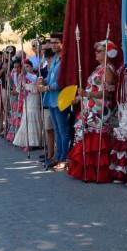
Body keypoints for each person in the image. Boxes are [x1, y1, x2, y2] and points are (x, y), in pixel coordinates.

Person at [67, 41, 117, 183]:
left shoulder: (107, 70)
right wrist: (78, 98)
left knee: (96, 139)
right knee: (87, 137)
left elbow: (106, 93)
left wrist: (87, 95)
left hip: (99, 109)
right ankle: (86, 171)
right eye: (96, 51)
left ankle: (97, 172)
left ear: (107, 53)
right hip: (89, 107)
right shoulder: (98, 68)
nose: (96, 53)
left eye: (99, 51)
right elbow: (91, 89)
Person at [39, 34, 69, 169]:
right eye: (52, 42)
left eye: (57, 42)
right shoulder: (55, 58)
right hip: (51, 98)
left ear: (62, 43)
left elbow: (61, 82)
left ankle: (64, 158)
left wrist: (46, 87)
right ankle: (57, 156)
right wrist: (43, 81)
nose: (54, 45)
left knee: (63, 130)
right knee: (56, 129)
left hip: (60, 98)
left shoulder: (64, 59)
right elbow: (51, 78)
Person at [13, 60, 44, 152]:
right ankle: (27, 141)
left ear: (31, 67)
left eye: (27, 66)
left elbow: (36, 89)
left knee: (32, 119)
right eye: (24, 67)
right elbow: (18, 89)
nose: (26, 69)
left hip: (34, 99)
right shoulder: (23, 77)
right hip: (26, 100)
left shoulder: (36, 77)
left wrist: (26, 85)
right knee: (26, 120)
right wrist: (20, 81)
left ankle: (33, 143)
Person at [6, 58, 23, 143]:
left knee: (20, 116)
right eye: (15, 67)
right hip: (15, 95)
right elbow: (12, 84)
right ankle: (13, 135)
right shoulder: (13, 73)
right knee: (14, 115)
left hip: (21, 96)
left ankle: (19, 135)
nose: (16, 69)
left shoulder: (23, 75)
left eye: (18, 67)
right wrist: (9, 79)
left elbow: (20, 87)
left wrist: (16, 91)